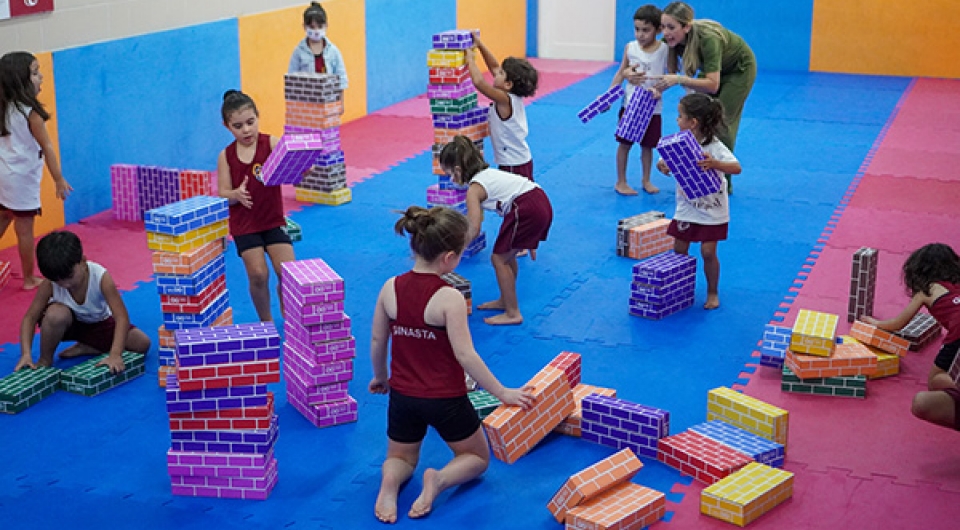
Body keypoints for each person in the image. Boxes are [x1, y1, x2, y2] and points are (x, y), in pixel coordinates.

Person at [369, 205, 535, 523]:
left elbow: (378, 340)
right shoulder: (449, 298)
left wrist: (381, 377)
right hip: (445, 399)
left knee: (401, 458)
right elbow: (466, 355)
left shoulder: (390, 287)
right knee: (476, 457)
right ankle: (439, 480)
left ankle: (390, 481)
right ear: (449, 258)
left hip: (402, 396)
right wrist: (503, 393)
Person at [438, 136, 553, 326]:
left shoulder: (474, 189)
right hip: (539, 201)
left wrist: (456, 250)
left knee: (499, 259)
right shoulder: (488, 174)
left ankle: (512, 313)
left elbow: (474, 228)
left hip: (527, 209)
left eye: (450, 174)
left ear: (458, 170)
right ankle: (506, 300)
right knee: (507, 255)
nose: (451, 179)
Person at [14, 231, 151, 374]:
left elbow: (121, 317)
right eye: (57, 281)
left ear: (83, 261)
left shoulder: (101, 277)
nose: (65, 284)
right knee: (56, 314)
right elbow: (30, 318)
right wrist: (26, 354)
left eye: (69, 277)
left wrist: (115, 354)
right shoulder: (50, 284)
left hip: (98, 324)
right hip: (68, 326)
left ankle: (89, 346)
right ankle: (45, 359)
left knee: (142, 344)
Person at [656, 1, 755, 193]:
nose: (666, 33)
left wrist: (679, 79)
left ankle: (723, 182)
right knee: (694, 119)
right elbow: (650, 58)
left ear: (686, 27)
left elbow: (712, 84)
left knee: (720, 121)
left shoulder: (708, 39)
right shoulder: (670, 41)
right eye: (663, 27)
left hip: (738, 70)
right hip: (714, 71)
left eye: (671, 27)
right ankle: (695, 167)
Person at [862, 243, 960, 431]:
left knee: (936, 380)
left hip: (958, 333)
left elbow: (898, 323)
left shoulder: (927, 289)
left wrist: (874, 323)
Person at [656, 93, 741, 310]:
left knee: (708, 252)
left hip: (712, 209)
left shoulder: (714, 146)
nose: (677, 120)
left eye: (680, 116)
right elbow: (662, 161)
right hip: (687, 207)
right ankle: (680, 288)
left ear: (692, 122)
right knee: (679, 248)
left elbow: (736, 168)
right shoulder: (678, 142)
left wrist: (714, 164)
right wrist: (662, 166)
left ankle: (712, 291)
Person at [216, 90, 295, 322]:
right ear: (227, 126)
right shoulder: (226, 156)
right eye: (238, 126)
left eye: (250, 122)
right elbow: (223, 193)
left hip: (272, 220)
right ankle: (266, 320)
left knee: (288, 274)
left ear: (258, 117)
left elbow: (293, 171)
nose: (246, 130)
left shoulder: (271, 143)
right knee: (258, 274)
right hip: (245, 225)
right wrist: (236, 194)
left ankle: (288, 312)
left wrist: (303, 168)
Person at [0, 51, 72, 290]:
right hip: (20, 179)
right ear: (20, 81)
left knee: (4, 216)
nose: (41, 77)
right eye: (34, 73)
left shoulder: (3, 107)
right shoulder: (30, 113)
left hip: (3, 175)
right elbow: (47, 147)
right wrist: (58, 178)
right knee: (24, 231)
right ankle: (29, 278)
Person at [609, 5, 668, 196]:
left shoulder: (664, 50)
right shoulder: (631, 48)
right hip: (631, 105)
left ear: (658, 30)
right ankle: (621, 181)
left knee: (648, 145)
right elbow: (621, 72)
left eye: (646, 30)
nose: (640, 34)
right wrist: (609, 96)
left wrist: (659, 89)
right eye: (637, 29)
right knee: (625, 144)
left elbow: (670, 76)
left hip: (652, 106)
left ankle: (646, 179)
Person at [465, 31, 539, 181]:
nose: (496, 73)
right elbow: (494, 66)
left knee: (514, 192)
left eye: (500, 73)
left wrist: (470, 60)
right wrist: (479, 45)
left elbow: (479, 83)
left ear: (508, 84)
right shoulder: (511, 94)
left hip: (513, 163)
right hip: (520, 159)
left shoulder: (504, 99)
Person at [287, 2, 349, 90]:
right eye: (312, 27)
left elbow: (342, 80)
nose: (316, 31)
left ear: (326, 26)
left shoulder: (333, 51)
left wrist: (340, 99)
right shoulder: (298, 52)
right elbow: (291, 81)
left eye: (320, 27)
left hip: (329, 96)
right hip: (307, 96)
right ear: (304, 26)